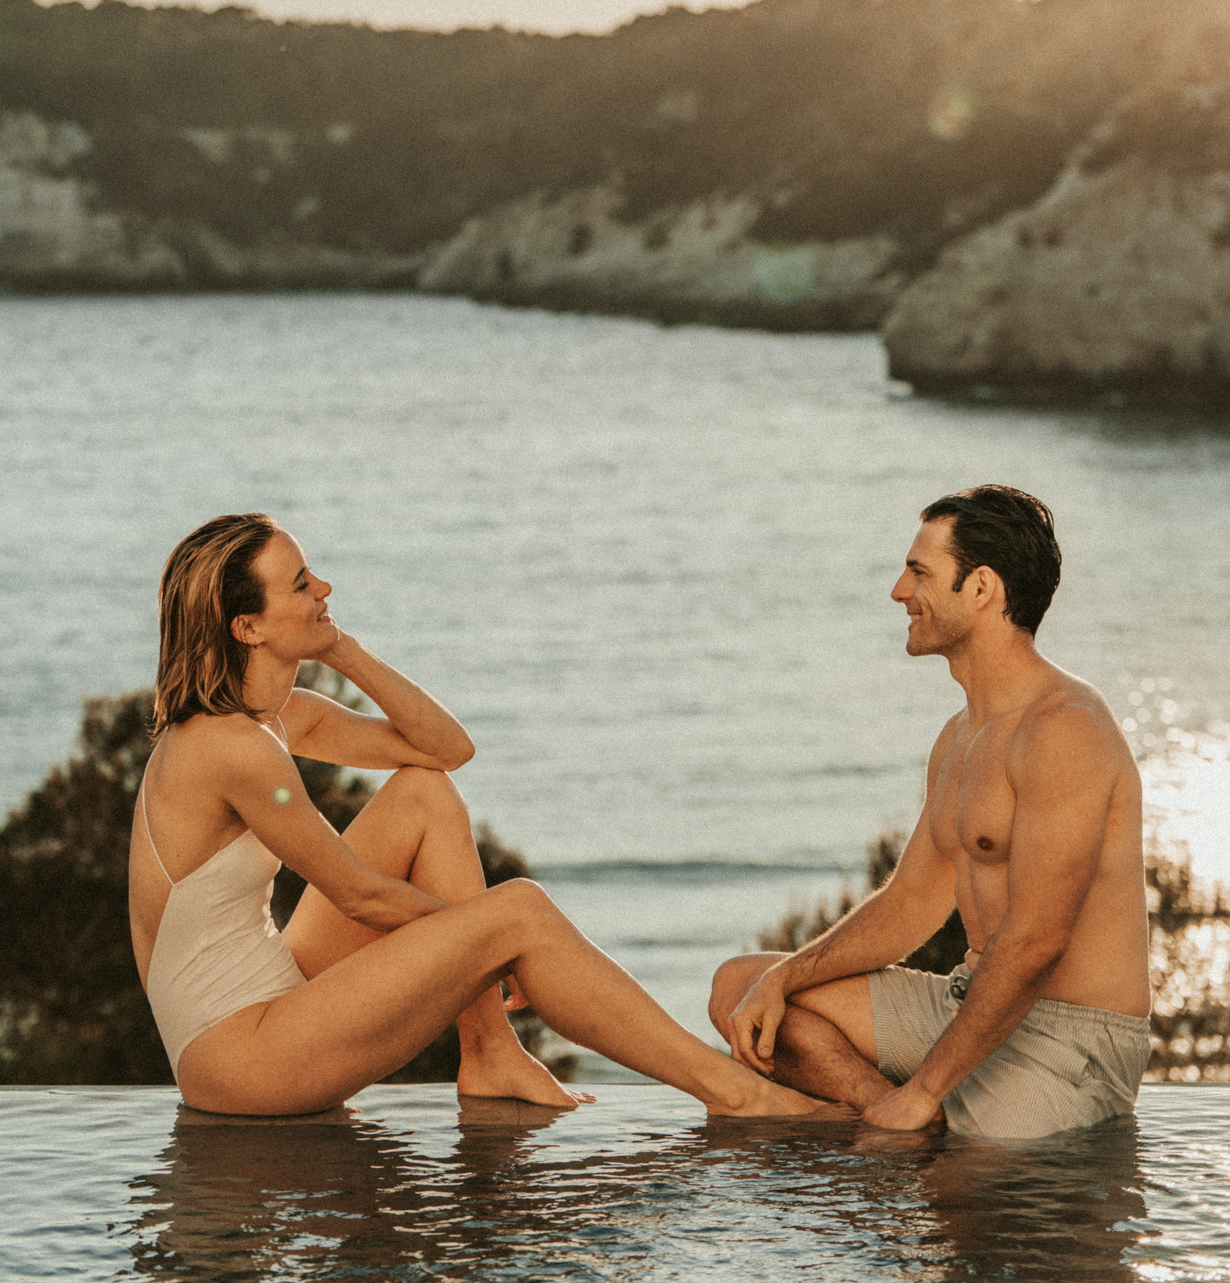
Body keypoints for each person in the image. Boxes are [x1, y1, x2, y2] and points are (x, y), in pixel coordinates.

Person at [130, 512, 842, 1121]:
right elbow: (359, 894)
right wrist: (484, 945)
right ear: (248, 625)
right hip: (238, 1059)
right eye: (301, 585)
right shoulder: (231, 748)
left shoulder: (270, 717)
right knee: (519, 911)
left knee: (422, 795)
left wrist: (339, 645)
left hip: (268, 996)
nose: (324, 589)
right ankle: (733, 1092)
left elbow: (445, 749)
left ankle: (491, 1052)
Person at [709, 486, 1152, 1139]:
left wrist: (926, 1085)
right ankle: (893, 1114)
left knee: (965, 1180)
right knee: (741, 989)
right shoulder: (961, 738)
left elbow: (1035, 942)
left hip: (1071, 1037)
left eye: (918, 572)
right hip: (967, 1000)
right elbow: (910, 903)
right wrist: (784, 976)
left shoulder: (1065, 729)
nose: (897, 591)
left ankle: (918, 1114)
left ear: (981, 588)